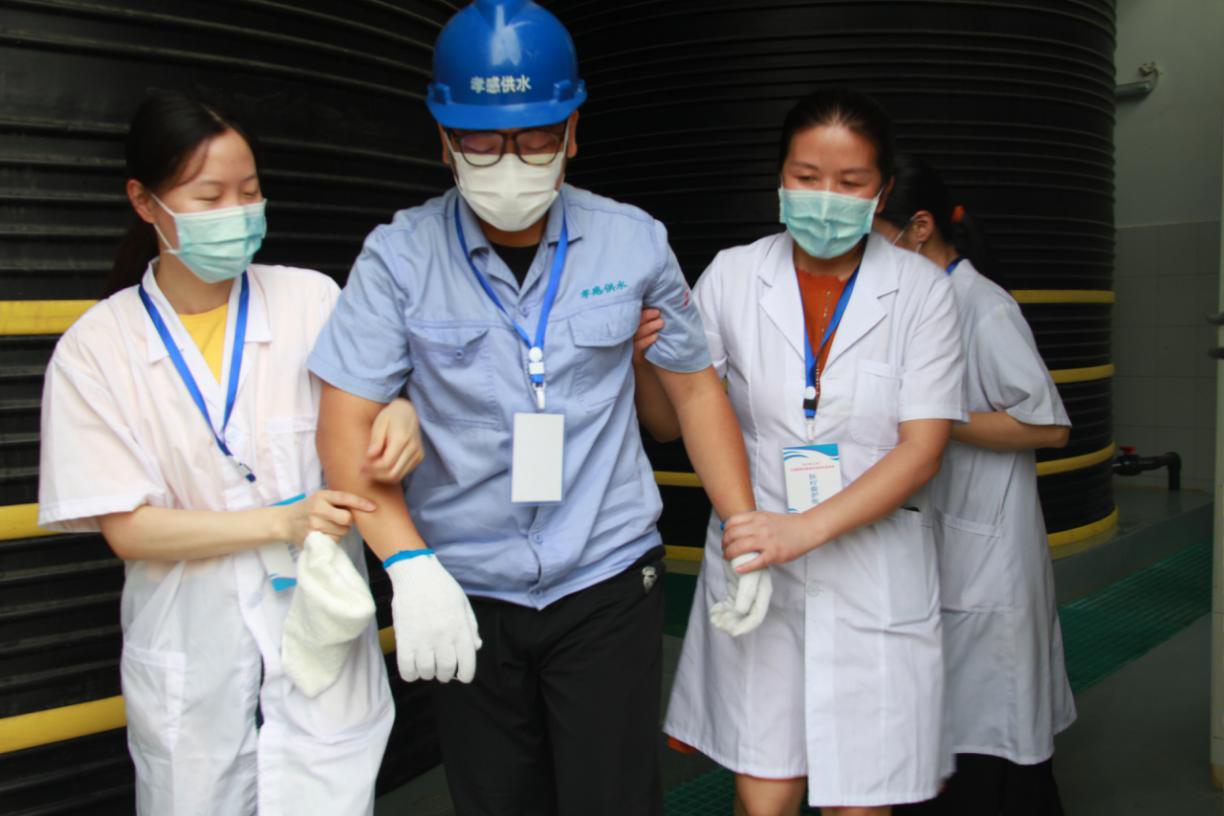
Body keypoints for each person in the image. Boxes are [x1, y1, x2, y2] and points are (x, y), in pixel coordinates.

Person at [305, 1, 758, 813]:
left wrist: (744, 525)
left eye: (537, 137)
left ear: (573, 132)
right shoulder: (398, 258)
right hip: (465, 586)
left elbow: (694, 391)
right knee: (497, 801)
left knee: (613, 801)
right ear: (443, 140)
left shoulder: (634, 242)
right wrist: (409, 565)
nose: (509, 162)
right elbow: (343, 429)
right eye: (481, 140)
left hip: (606, 573)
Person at [36, 91, 422, 815]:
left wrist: (401, 414)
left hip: (320, 634)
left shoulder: (310, 300)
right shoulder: (97, 349)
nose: (237, 212)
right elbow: (129, 529)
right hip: (191, 651)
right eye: (210, 196)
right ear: (145, 202)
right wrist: (281, 522)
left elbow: (370, 409)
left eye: (249, 192)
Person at [636, 88, 966, 816]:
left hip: (871, 566)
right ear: (780, 178)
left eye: (850, 183)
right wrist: (641, 359)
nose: (825, 198)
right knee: (765, 786)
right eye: (807, 177)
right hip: (760, 564)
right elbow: (668, 423)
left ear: (881, 190)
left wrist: (801, 532)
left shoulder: (921, 292)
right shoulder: (733, 275)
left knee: (863, 797)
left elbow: (922, 451)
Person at [876, 155, 1074, 816]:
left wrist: (937, 421)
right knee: (947, 729)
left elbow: (1048, 425)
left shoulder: (982, 307)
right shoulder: (914, 304)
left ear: (920, 228)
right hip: (939, 544)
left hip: (987, 557)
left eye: (875, 234)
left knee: (994, 734)